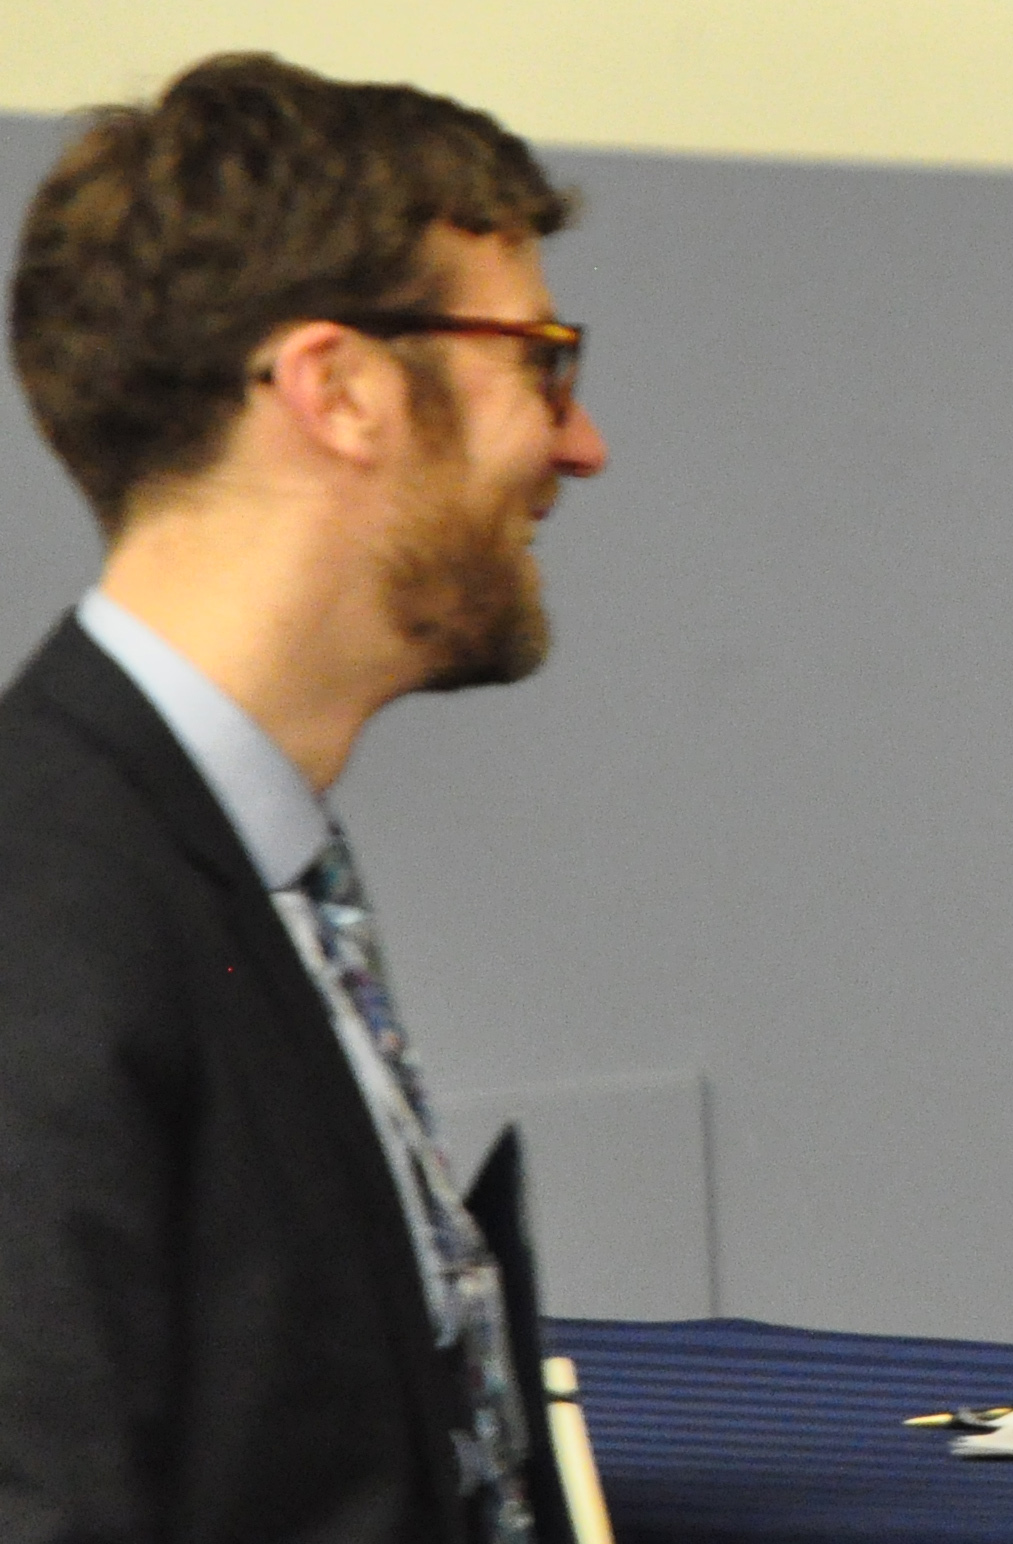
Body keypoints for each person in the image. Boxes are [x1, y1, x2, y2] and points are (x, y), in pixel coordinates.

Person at [0, 54, 609, 1540]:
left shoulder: (222, 870)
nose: (577, 441)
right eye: (538, 358)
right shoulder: (46, 921)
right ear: (338, 390)